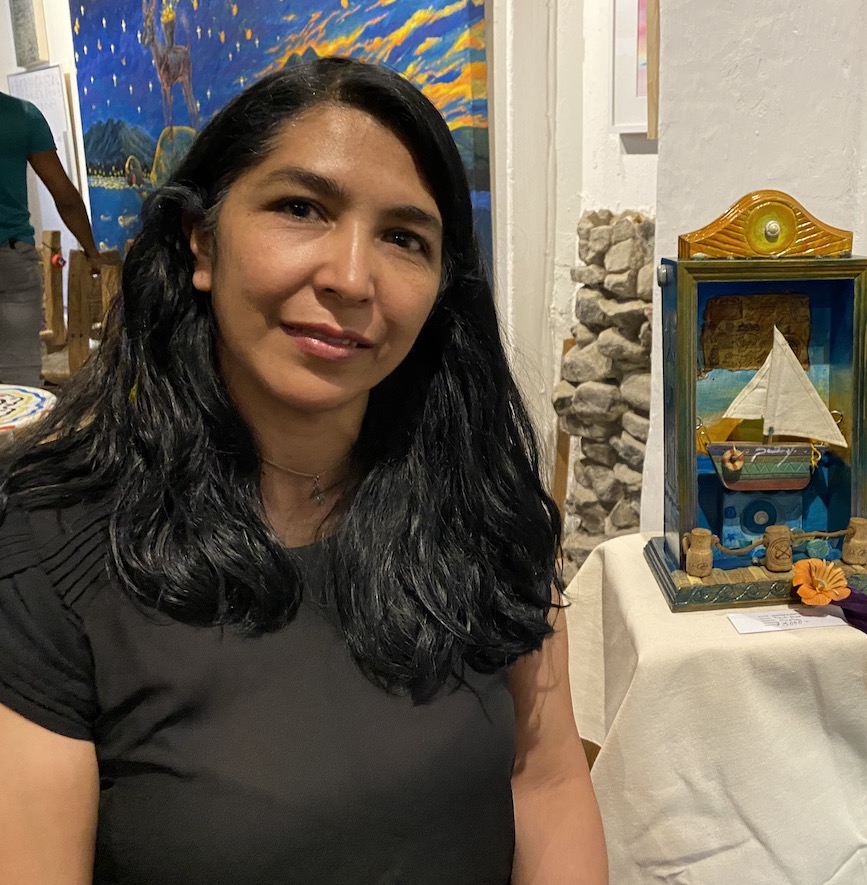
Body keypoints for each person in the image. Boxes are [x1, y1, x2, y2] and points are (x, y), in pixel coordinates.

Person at [0, 57, 608, 884]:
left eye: (404, 238)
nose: (351, 278)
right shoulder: (51, 554)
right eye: (301, 208)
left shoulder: (482, 508)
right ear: (202, 241)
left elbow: (547, 780)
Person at [0, 90, 103, 387]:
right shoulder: (22, 115)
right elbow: (65, 196)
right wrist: (92, 252)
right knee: (21, 381)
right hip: (12, 260)